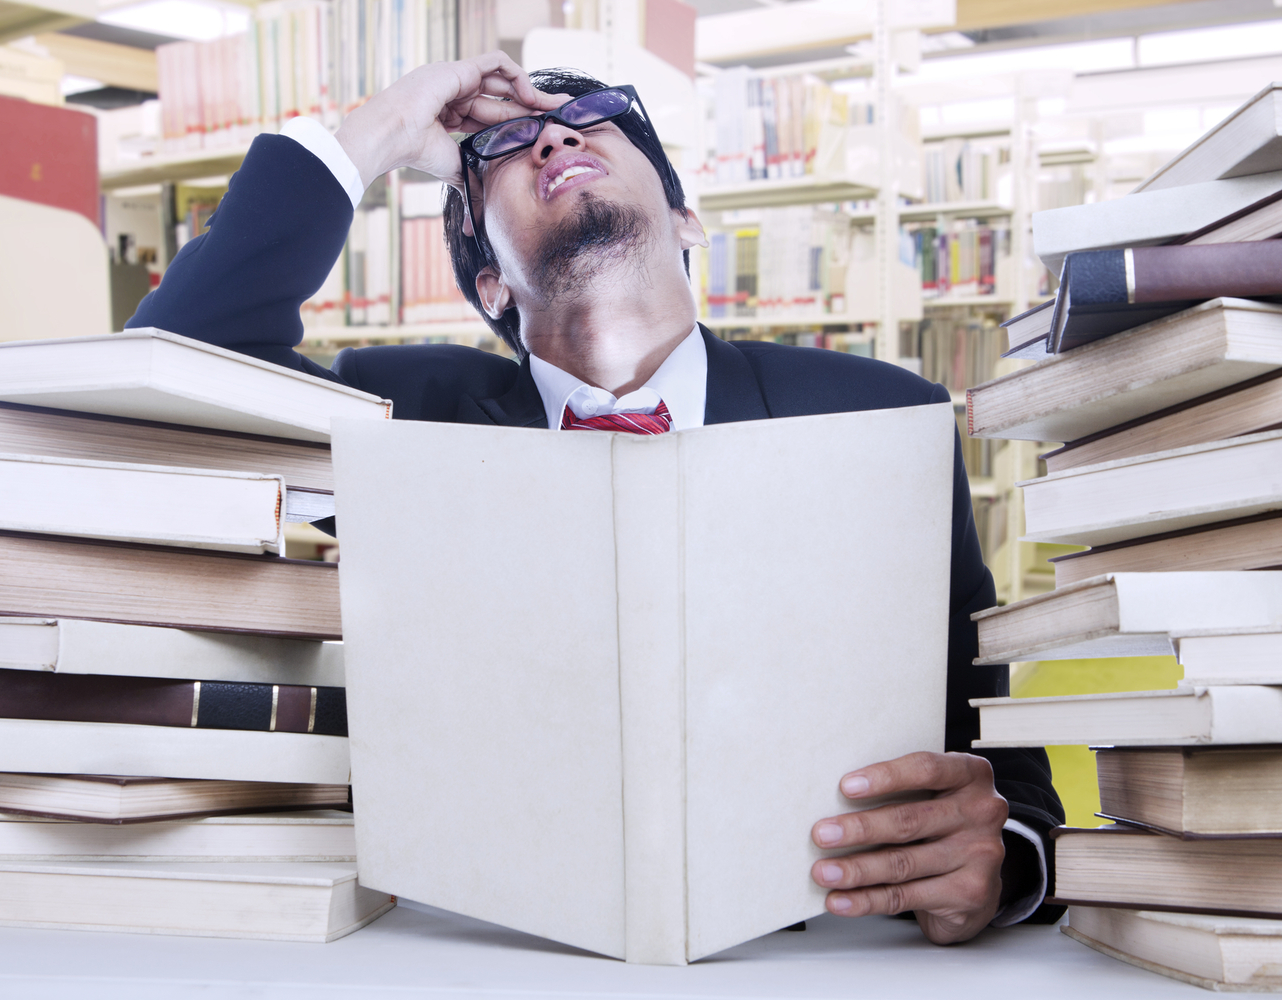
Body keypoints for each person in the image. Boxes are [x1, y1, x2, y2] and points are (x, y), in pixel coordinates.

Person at [128, 51, 1064, 944]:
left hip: (821, 950)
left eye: (593, 121)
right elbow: (168, 391)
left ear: (687, 220)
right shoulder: (401, 415)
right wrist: (376, 132)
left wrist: (1006, 865)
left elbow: (997, 763)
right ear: (488, 278)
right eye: (503, 147)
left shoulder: (879, 416)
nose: (554, 139)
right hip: (467, 952)